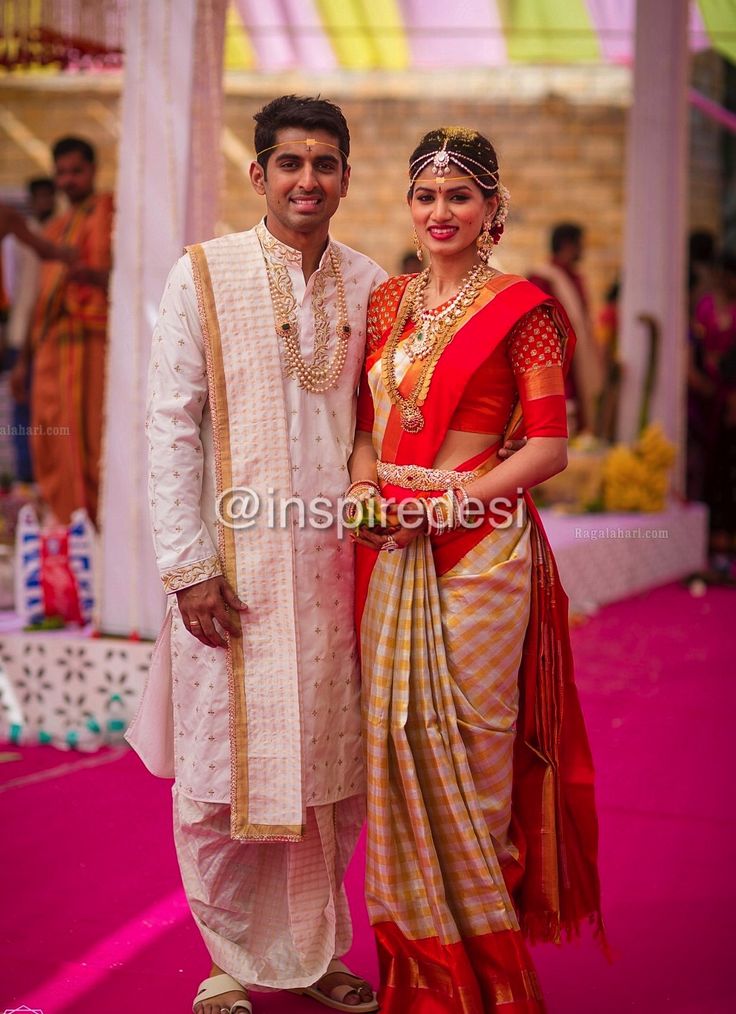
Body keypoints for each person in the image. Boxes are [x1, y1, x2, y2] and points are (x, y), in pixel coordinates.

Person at [126, 95, 387, 1014]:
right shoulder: (202, 275)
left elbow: (379, 425)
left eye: (325, 164)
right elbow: (169, 430)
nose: (307, 180)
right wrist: (188, 566)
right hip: (231, 576)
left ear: (347, 177)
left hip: (331, 576)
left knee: (326, 778)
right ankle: (229, 959)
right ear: (259, 173)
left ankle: (315, 954)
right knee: (218, 782)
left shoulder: (371, 287)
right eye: (290, 163)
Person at [348, 127, 604, 1012]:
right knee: (399, 742)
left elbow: (550, 447)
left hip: (479, 547)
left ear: (492, 210)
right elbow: (362, 423)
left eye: (460, 196)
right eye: (427, 196)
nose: (441, 212)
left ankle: (484, 980)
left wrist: (451, 502)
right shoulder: (388, 304)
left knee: (469, 745)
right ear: (410, 207)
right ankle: (421, 973)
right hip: (390, 544)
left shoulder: (524, 311)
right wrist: (362, 486)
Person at [11, 137, 113, 527]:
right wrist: (23, 364)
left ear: (92, 171)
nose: (68, 180)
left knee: (90, 439)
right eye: (62, 172)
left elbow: (114, 274)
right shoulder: (53, 229)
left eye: (76, 171)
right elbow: (39, 302)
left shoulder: (106, 209)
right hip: (53, 346)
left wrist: (85, 274)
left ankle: (99, 527)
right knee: (52, 436)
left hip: (92, 343)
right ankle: (68, 523)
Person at [5, 178, 58, 482]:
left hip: (45, 333)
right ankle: (27, 482)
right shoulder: (21, 236)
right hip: (19, 332)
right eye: (35, 197)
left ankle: (45, 483)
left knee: (47, 413)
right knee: (21, 410)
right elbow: (13, 287)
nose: (42, 202)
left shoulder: (61, 231)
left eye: (45, 196)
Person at [529, 222, 603, 434]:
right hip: (556, 361)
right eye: (581, 244)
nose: (583, 250)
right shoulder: (541, 278)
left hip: (579, 357)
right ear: (567, 244)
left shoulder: (576, 278)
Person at [692, 249, 736, 578]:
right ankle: (714, 544)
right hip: (709, 394)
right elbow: (697, 346)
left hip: (731, 392)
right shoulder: (706, 304)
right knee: (715, 465)